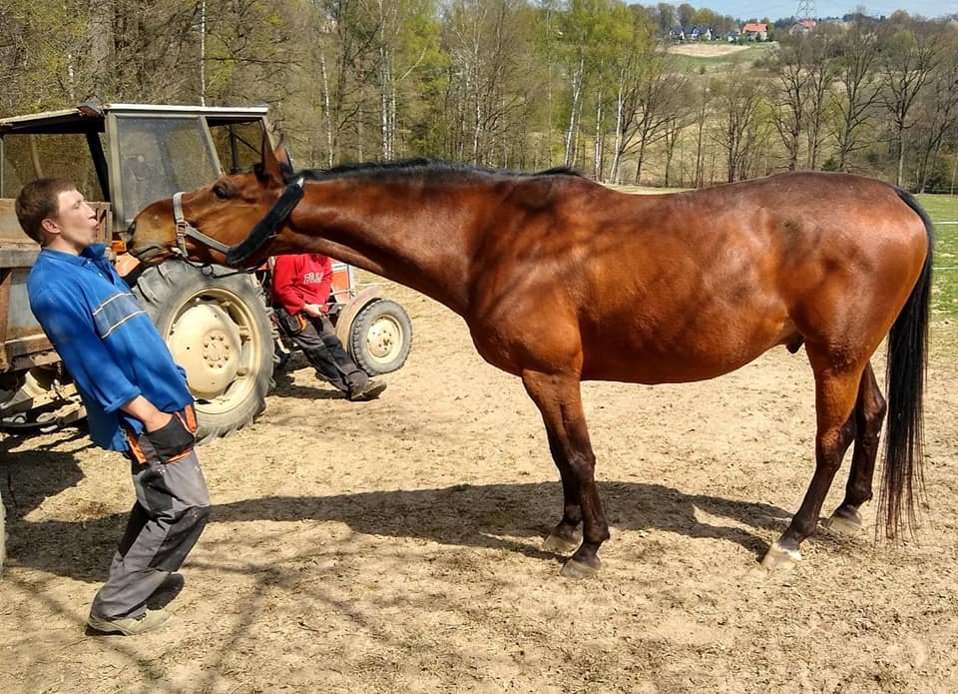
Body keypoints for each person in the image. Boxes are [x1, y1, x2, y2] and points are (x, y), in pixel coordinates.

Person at [16, 178, 210, 636]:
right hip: (145, 412)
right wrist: (150, 415)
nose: (91, 212)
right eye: (78, 206)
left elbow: (113, 266)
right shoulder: (51, 285)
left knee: (157, 501)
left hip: (166, 398)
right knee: (185, 507)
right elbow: (93, 366)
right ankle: (117, 607)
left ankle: (140, 580)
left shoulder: (85, 265)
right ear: (51, 224)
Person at [271, 253, 386, 401]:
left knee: (334, 344)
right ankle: (352, 388)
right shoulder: (290, 257)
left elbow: (327, 277)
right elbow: (281, 289)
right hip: (291, 311)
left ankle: (359, 381)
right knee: (318, 350)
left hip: (315, 307)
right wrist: (305, 306)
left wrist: (319, 302)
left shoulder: (322, 256)